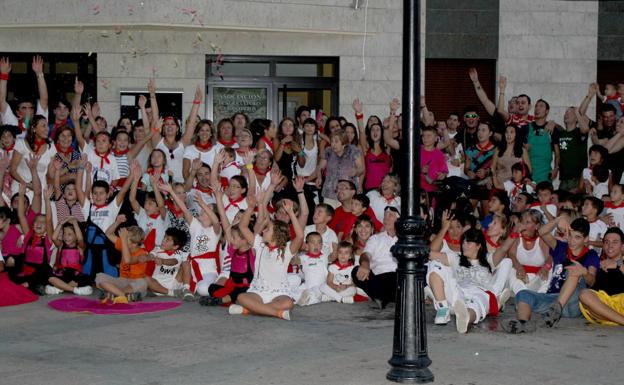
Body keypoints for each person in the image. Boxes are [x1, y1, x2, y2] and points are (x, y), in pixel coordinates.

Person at [504, 218, 599, 333]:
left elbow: (591, 281)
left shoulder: (591, 254)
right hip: (552, 300)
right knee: (523, 294)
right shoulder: (561, 247)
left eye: (577, 237)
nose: (572, 241)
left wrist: (583, 272)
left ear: (586, 239)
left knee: (573, 269)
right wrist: (558, 220)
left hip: (574, 302)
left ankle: (557, 309)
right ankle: (523, 323)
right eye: (570, 235)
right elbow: (542, 232)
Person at [230, 198, 303, 320]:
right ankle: (276, 313)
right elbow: (243, 227)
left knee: (288, 303)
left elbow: (300, 236)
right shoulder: (259, 245)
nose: (263, 230)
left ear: (276, 235)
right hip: (258, 292)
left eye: (267, 229)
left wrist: (291, 213)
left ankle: (250, 310)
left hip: (279, 293)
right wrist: (250, 208)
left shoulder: (287, 249)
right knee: (241, 297)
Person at [427, 228, 512, 333]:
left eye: (468, 242)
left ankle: (466, 317)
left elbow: (503, 249)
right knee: (435, 263)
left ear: (478, 246)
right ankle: (443, 309)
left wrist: (515, 232)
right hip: (458, 292)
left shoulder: (488, 260)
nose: (464, 245)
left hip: (479, 292)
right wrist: (444, 227)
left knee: (507, 262)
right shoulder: (456, 258)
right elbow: (429, 254)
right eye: (463, 242)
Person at [352, 206, 400, 309]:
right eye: (385, 216)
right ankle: (384, 297)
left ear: (398, 219)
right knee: (356, 271)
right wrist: (365, 264)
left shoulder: (405, 238)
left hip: (398, 277)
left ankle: (382, 297)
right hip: (379, 278)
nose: (386, 219)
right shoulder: (375, 238)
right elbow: (366, 254)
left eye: (390, 216)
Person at [578, 227, 624, 325]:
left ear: (622, 247)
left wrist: (618, 264)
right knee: (584, 294)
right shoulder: (599, 263)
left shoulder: (621, 263)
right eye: (606, 242)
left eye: (615, 242)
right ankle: (620, 320)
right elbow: (592, 286)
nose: (610, 246)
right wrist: (585, 273)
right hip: (604, 307)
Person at [98, 222, 149, 304]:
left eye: (126, 238)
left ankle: (115, 294)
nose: (123, 239)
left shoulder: (142, 253)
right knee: (99, 277)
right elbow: (108, 234)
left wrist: (123, 240)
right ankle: (124, 296)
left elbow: (128, 260)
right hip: (122, 281)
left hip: (135, 283)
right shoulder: (124, 244)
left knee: (142, 282)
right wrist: (118, 221)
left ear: (134, 244)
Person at [45, 216, 92, 296]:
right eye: (64, 234)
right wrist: (60, 224)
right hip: (62, 273)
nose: (66, 237)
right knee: (49, 276)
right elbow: (53, 238)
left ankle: (59, 288)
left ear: (76, 236)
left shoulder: (80, 247)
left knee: (87, 278)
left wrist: (75, 223)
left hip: (75, 275)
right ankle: (74, 290)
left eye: (69, 234)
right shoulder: (61, 245)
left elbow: (80, 239)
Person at [144, 228, 190, 298]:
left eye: (167, 239)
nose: (163, 240)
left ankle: (186, 289)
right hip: (157, 283)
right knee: (145, 278)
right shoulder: (157, 249)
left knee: (186, 264)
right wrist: (146, 257)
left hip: (174, 282)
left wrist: (163, 261)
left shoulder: (179, 253)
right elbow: (151, 255)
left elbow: (174, 261)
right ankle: (170, 293)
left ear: (175, 246)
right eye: (164, 237)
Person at [293, 232, 329, 306]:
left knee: (317, 293)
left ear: (322, 245)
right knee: (295, 289)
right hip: (307, 286)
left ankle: (305, 299)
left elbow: (333, 256)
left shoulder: (324, 257)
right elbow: (294, 260)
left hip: (320, 287)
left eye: (319, 243)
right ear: (307, 245)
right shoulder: (303, 258)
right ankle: (301, 298)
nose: (316, 245)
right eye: (312, 242)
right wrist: (296, 246)